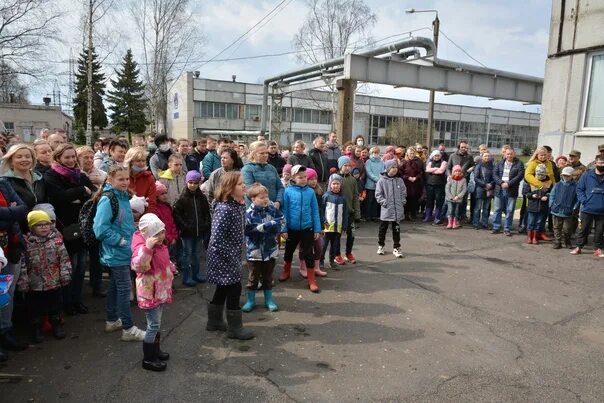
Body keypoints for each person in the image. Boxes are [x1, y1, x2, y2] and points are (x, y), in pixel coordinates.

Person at [93, 165, 145, 341]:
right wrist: (120, 241)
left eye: (126, 179)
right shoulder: (108, 199)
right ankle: (128, 328)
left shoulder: (122, 197)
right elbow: (99, 228)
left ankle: (112, 320)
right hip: (117, 253)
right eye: (120, 179)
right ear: (110, 180)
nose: (125, 182)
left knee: (116, 287)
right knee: (124, 289)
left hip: (124, 251)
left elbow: (120, 222)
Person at [44, 144, 95, 316]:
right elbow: (58, 198)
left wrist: (76, 197)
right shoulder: (51, 175)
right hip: (65, 227)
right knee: (69, 267)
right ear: (58, 158)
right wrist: (80, 191)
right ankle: (66, 302)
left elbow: (94, 194)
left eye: (73, 157)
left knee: (81, 266)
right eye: (67, 157)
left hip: (82, 225)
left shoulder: (80, 174)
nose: (71, 160)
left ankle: (76, 299)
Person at [206, 171, 255, 340]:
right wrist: (232, 259)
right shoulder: (224, 209)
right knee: (234, 288)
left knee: (223, 287)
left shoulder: (238, 205)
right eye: (240, 184)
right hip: (223, 257)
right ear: (229, 188)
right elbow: (216, 240)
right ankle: (235, 328)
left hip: (231, 255)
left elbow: (242, 228)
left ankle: (214, 322)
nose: (244, 186)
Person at [18, 210, 71, 343]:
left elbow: (64, 260)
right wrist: (23, 281)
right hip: (34, 284)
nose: (44, 227)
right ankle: (36, 328)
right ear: (31, 227)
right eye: (39, 225)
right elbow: (23, 264)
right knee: (35, 308)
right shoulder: (27, 243)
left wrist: (65, 275)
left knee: (55, 305)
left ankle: (56, 324)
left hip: (54, 281)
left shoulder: (57, 241)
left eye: (46, 224)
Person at [131, 213, 175, 372]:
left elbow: (165, 260)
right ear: (147, 234)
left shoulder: (161, 245)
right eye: (157, 234)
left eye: (162, 232)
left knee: (157, 323)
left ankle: (156, 351)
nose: (161, 236)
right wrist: (147, 248)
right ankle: (148, 358)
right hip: (149, 292)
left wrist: (171, 267)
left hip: (160, 290)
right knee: (153, 324)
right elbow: (138, 266)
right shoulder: (142, 247)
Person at [279, 165, 321, 292]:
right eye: (300, 177)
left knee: (308, 253)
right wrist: (284, 229)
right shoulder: (288, 191)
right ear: (293, 177)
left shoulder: (310, 192)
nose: (303, 179)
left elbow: (315, 211)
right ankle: (286, 271)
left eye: (305, 177)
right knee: (288, 251)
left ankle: (311, 279)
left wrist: (317, 229)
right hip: (292, 229)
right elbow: (284, 211)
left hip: (307, 228)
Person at [242, 183, 283, 313]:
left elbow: (281, 221)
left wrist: (270, 227)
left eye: (266, 196)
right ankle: (250, 300)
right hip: (254, 252)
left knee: (268, 277)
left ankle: (268, 300)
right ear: (253, 199)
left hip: (270, 251)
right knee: (253, 277)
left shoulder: (272, 210)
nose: (265, 199)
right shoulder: (248, 214)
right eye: (261, 197)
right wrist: (266, 226)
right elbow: (249, 230)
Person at [0, 179, 29, 360]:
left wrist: (8, 213)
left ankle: (5, 331)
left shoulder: (3, 183)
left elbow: (22, 209)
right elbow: (15, 211)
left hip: (11, 246)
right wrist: (10, 212)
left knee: (6, 294)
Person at [173, 171, 211, 286]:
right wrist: (185, 226)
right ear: (187, 182)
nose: (193, 185)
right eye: (190, 182)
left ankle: (196, 274)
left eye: (195, 183)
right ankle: (187, 277)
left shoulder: (202, 198)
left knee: (196, 253)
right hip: (187, 233)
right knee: (187, 254)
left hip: (199, 231)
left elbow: (206, 213)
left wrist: (206, 225)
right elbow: (176, 214)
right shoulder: (182, 198)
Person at [0, 144, 46, 233]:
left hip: (42, 229)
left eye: (27, 156)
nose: (24, 159)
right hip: (19, 231)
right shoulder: (5, 182)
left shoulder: (40, 178)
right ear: (11, 161)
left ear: (33, 160)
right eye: (19, 157)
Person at [571, 155, 604, 257]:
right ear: (595, 163)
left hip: (602, 210)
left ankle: (598, 249)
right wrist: (584, 200)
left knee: (600, 231)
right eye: (600, 163)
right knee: (583, 229)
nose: (602, 165)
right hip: (587, 208)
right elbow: (579, 189)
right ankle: (578, 247)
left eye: (603, 163)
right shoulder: (587, 175)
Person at [375, 160, 406, 258]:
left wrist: (402, 201)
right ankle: (381, 245)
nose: (395, 169)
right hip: (387, 209)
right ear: (388, 168)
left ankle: (396, 247)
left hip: (397, 210)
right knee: (383, 229)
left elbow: (403, 192)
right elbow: (378, 194)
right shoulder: (382, 181)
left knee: (396, 229)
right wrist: (384, 202)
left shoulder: (399, 180)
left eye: (396, 167)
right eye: (392, 167)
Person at [300, 168, 327, 276]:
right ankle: (303, 267)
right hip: (306, 225)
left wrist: (321, 225)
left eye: (315, 179)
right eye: (310, 179)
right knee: (305, 248)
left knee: (319, 246)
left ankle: (316, 267)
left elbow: (320, 210)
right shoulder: (303, 192)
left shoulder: (319, 192)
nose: (313, 181)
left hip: (317, 224)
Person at [524, 146, 556, 240]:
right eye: (541, 155)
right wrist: (540, 185)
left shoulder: (549, 163)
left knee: (543, 214)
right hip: (535, 189)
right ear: (537, 155)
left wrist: (554, 187)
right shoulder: (533, 163)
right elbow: (528, 176)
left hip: (547, 189)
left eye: (545, 155)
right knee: (533, 215)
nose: (543, 157)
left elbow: (551, 176)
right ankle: (532, 235)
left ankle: (540, 233)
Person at [492, 148, 525, 236]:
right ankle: (496, 227)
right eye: (507, 154)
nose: (509, 156)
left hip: (511, 190)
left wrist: (509, 184)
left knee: (510, 210)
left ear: (514, 154)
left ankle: (507, 228)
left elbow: (520, 176)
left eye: (511, 154)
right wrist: (501, 182)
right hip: (499, 189)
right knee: (497, 209)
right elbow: (494, 174)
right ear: (505, 154)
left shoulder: (519, 164)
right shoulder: (499, 163)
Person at [241, 141, 284, 208]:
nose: (265, 155)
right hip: (256, 210)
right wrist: (265, 203)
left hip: (274, 208)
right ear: (253, 154)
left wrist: (278, 202)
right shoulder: (247, 169)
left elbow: (280, 187)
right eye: (262, 153)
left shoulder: (272, 168)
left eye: (266, 152)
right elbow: (249, 191)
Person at [337, 156, 361, 264]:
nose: (347, 168)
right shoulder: (335, 178)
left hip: (350, 212)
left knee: (351, 235)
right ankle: (337, 254)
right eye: (345, 165)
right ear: (340, 166)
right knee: (337, 235)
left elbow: (356, 197)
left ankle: (348, 253)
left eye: (349, 166)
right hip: (338, 212)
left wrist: (357, 213)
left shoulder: (353, 180)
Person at [549, 167, 579, 249]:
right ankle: (557, 242)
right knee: (556, 227)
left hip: (568, 211)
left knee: (567, 228)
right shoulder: (557, 185)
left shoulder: (575, 186)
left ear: (572, 176)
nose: (565, 177)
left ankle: (567, 241)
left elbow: (577, 199)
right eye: (564, 175)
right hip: (556, 210)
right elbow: (552, 195)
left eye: (568, 176)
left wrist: (574, 207)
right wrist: (551, 205)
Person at [322, 174, 347, 269]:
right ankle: (321, 261)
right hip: (327, 226)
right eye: (334, 183)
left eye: (338, 184)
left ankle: (332, 261)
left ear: (341, 185)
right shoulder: (326, 196)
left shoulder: (343, 198)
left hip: (338, 226)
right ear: (330, 184)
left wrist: (344, 225)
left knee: (334, 245)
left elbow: (345, 213)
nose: (336, 186)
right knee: (324, 245)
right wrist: (323, 222)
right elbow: (322, 211)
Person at [524, 164, 552, 245]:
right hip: (532, 206)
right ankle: (529, 237)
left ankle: (535, 237)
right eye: (538, 174)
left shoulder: (549, 181)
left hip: (543, 206)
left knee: (539, 222)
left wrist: (547, 196)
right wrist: (532, 195)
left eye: (542, 174)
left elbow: (551, 192)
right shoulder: (531, 181)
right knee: (531, 222)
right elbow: (526, 193)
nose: (540, 176)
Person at [447, 142, 474, 222]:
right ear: (459, 147)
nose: (464, 149)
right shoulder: (452, 156)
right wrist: (449, 175)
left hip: (464, 180)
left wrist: (471, 168)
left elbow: (473, 165)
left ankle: (462, 215)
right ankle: (450, 216)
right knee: (450, 199)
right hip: (453, 181)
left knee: (463, 199)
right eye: (462, 147)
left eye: (465, 147)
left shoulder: (469, 157)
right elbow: (448, 167)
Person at [125, 147, 157, 214]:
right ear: (130, 161)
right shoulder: (123, 177)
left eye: (143, 160)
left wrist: (145, 216)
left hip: (144, 215)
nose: (142, 163)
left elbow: (152, 201)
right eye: (138, 161)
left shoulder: (149, 178)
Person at [472, 152, 495, 230]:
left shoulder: (492, 167)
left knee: (486, 208)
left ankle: (485, 223)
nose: (487, 157)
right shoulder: (478, 166)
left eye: (488, 156)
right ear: (482, 157)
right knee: (477, 208)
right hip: (480, 190)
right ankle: (475, 223)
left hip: (489, 190)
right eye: (485, 156)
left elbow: (495, 177)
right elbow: (476, 178)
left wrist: (491, 184)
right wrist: (485, 184)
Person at [400, 148, 424, 221]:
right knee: (405, 199)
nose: (412, 155)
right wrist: (407, 177)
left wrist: (416, 178)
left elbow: (420, 173)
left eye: (413, 153)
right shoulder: (403, 162)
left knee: (413, 200)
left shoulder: (417, 163)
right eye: (410, 153)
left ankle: (412, 214)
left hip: (414, 184)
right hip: (406, 184)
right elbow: (400, 173)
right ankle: (405, 214)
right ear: (407, 154)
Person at [425, 150, 447, 225]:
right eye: (435, 156)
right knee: (429, 201)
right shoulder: (430, 162)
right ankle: (428, 216)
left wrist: (432, 170)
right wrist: (436, 169)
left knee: (438, 201)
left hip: (439, 185)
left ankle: (437, 217)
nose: (436, 157)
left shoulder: (444, 162)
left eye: (438, 155)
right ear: (433, 156)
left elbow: (441, 171)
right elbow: (427, 170)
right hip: (430, 184)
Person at [364, 146, 384, 221]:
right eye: (373, 152)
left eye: (376, 152)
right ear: (371, 153)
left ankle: (374, 215)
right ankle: (368, 215)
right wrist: (377, 179)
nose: (375, 154)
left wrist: (380, 180)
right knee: (369, 200)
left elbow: (382, 171)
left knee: (376, 201)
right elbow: (369, 172)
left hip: (379, 184)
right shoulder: (368, 162)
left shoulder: (381, 162)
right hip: (370, 184)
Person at [445, 165, 468, 229]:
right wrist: (451, 197)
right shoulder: (450, 179)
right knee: (450, 210)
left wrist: (458, 196)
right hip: (450, 199)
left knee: (456, 211)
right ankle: (449, 223)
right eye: (456, 171)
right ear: (453, 172)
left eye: (459, 171)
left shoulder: (463, 180)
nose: (457, 172)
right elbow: (447, 189)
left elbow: (464, 189)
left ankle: (454, 223)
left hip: (458, 199)